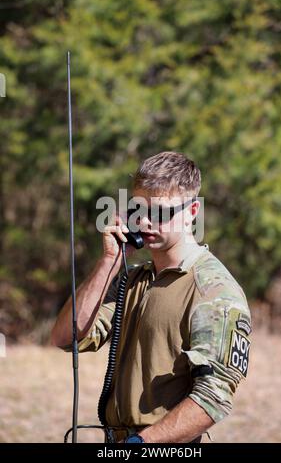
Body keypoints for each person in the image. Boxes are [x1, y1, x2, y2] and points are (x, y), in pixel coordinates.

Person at [51, 151, 251, 443]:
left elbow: (214, 397)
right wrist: (109, 261)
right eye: (137, 210)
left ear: (192, 212)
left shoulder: (215, 291)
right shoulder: (131, 279)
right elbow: (65, 337)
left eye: (159, 212)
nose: (144, 221)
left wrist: (142, 443)